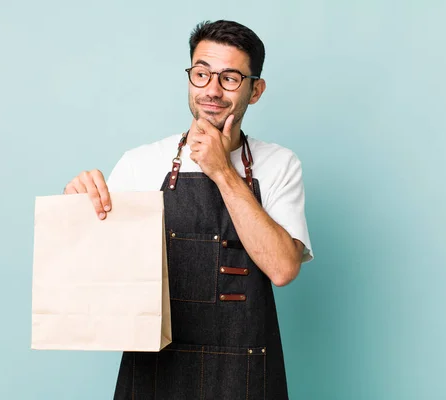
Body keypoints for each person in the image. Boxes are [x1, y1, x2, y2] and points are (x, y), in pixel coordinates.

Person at [63, 19, 313, 400]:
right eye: (201, 74)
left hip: (242, 373)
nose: (212, 90)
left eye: (229, 78)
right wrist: (78, 208)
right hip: (156, 371)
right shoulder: (140, 163)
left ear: (255, 90)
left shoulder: (280, 164)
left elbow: (282, 268)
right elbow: (96, 272)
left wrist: (221, 170)